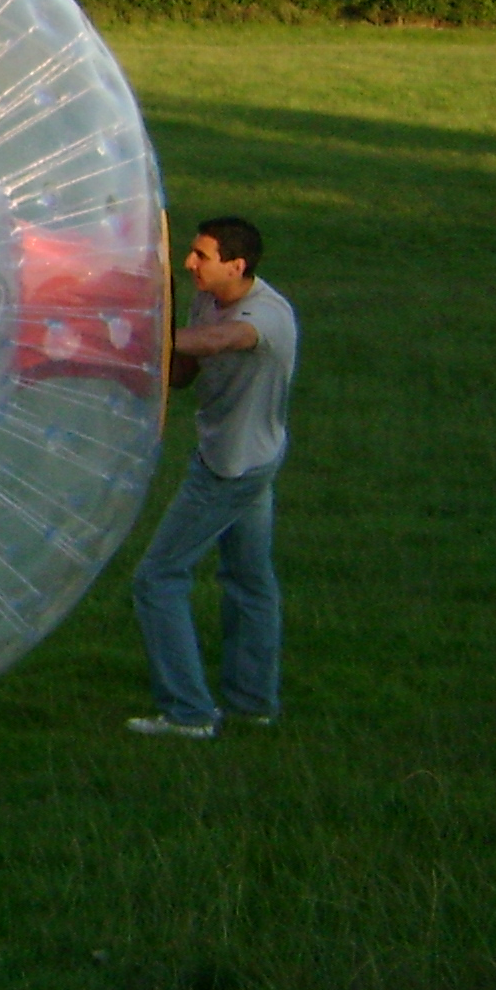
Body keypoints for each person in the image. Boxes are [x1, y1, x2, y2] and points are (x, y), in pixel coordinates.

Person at [127, 216, 299, 741]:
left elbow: (222, 341)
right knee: (249, 580)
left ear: (237, 265)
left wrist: (144, 335)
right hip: (251, 456)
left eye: (201, 257)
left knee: (157, 579)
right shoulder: (208, 300)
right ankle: (253, 703)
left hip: (230, 469)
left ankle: (188, 713)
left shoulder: (265, 318)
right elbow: (182, 373)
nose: (189, 263)